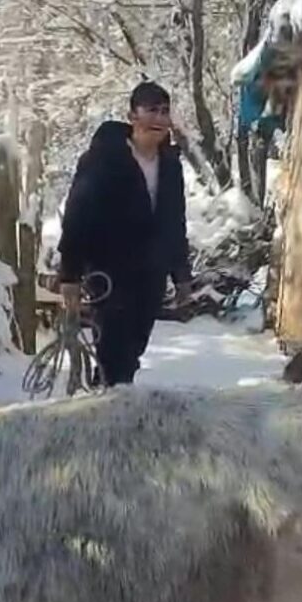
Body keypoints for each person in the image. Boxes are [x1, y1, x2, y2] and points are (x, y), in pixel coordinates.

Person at [56, 81, 194, 386]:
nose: (159, 119)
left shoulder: (170, 164)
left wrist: (181, 274)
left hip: (151, 273)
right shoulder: (103, 159)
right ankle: (109, 404)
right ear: (133, 115)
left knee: (132, 351)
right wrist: (70, 275)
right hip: (109, 272)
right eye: (151, 110)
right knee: (113, 352)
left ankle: (110, 399)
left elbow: (175, 221)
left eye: (165, 111)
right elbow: (77, 216)